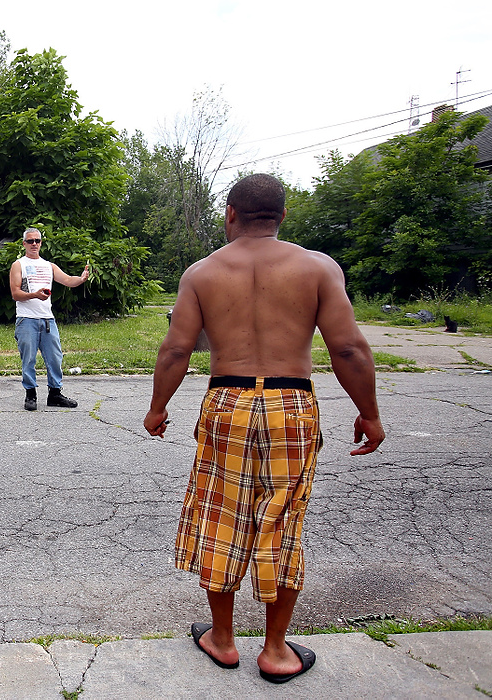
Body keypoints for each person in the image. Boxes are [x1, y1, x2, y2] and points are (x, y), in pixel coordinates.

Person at [143, 174, 384, 684]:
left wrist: (158, 407)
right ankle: (276, 651)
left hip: (227, 400)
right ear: (283, 215)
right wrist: (368, 412)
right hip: (291, 403)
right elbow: (348, 349)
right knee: (282, 521)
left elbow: (176, 350)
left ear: (230, 213)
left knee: (221, 515)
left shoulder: (202, 272)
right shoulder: (317, 268)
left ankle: (223, 639)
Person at [10, 227, 89, 411]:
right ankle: (31, 394)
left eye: (37, 241)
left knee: (55, 357)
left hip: (47, 319)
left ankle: (55, 393)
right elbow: (15, 293)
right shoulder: (19, 265)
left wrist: (81, 278)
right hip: (27, 318)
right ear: (24, 244)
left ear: (41, 243)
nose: (34, 244)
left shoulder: (48, 266)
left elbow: (69, 280)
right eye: (30, 241)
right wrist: (35, 295)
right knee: (28, 359)